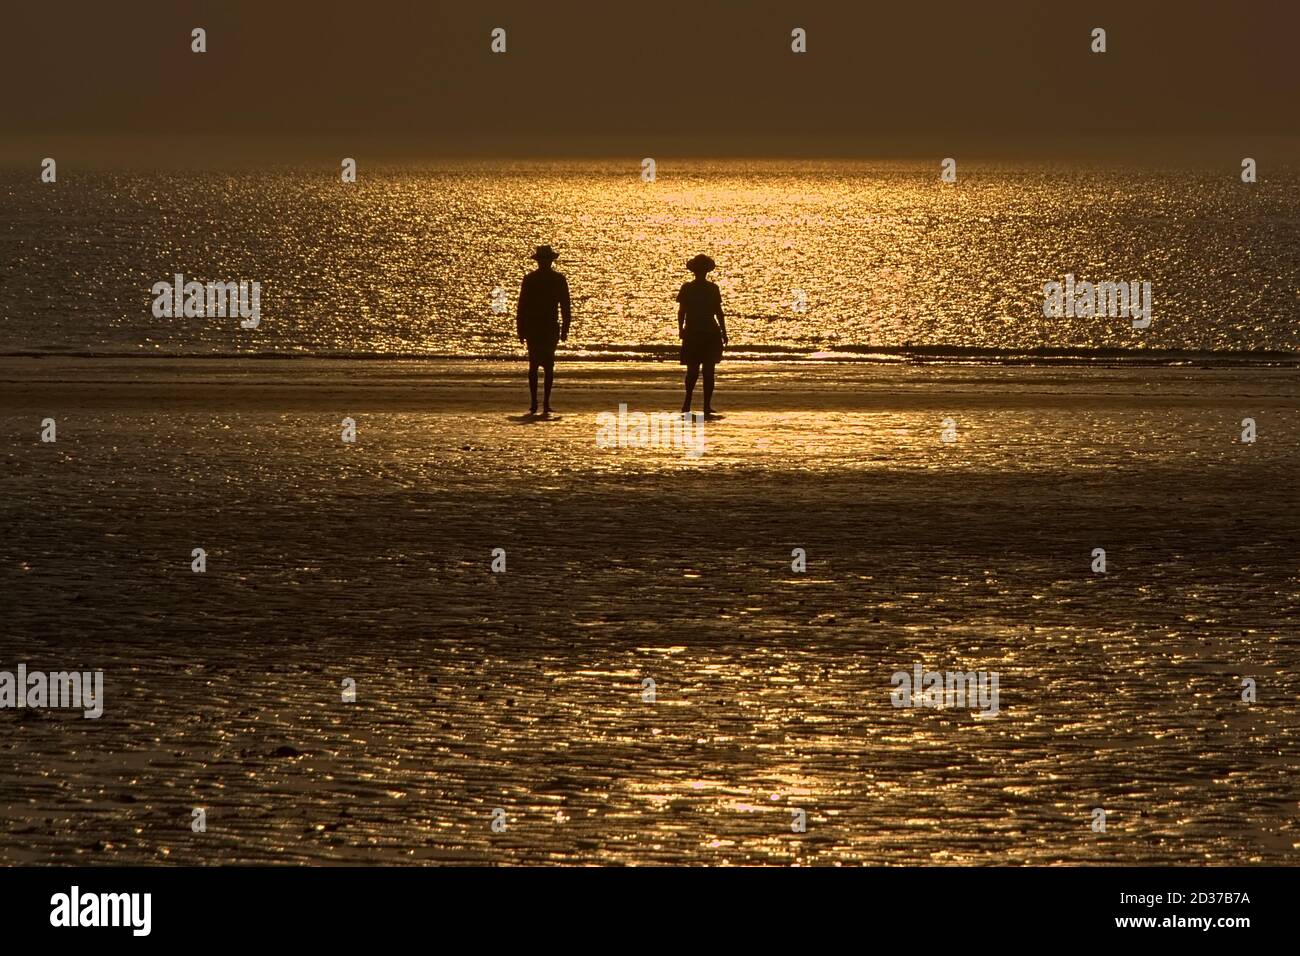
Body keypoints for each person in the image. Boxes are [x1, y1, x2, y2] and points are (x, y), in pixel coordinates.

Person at [516, 245, 571, 415]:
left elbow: (565, 306)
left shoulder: (537, 279)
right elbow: (522, 305)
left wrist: (565, 328)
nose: (544, 263)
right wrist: (521, 329)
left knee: (545, 365)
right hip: (540, 327)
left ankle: (542, 402)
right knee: (538, 365)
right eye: (543, 260)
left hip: (544, 327)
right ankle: (538, 402)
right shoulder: (547, 279)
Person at [677, 254, 728, 415]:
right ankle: (705, 405)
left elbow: (682, 311)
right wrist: (724, 331)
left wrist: (681, 329)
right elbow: (718, 312)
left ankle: (688, 403)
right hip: (708, 333)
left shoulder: (688, 287)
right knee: (708, 371)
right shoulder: (712, 288)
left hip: (694, 332)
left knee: (692, 371)